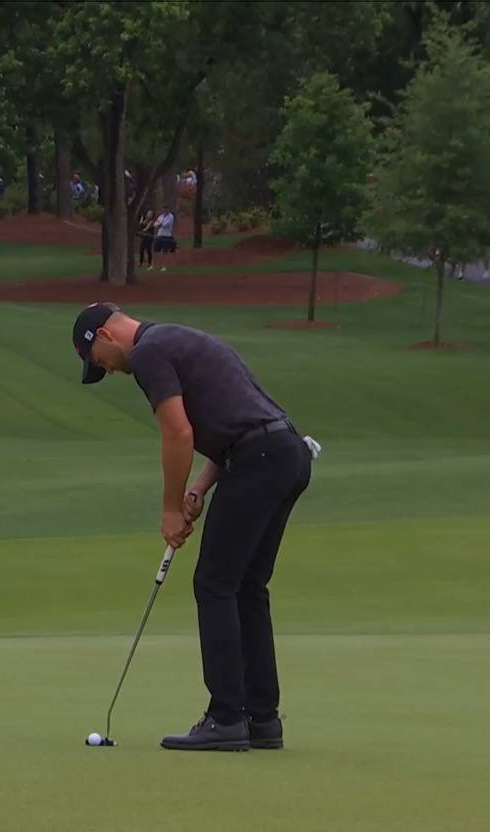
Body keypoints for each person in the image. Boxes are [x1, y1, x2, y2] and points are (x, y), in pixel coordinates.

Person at [71, 301, 319, 752]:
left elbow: (178, 433)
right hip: (285, 454)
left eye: (99, 364)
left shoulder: (148, 352)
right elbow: (235, 421)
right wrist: (201, 487)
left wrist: (169, 507)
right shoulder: (182, 338)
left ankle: (226, 718)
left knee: (214, 584)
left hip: (259, 460)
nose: (108, 372)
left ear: (104, 338)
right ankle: (261, 720)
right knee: (245, 587)